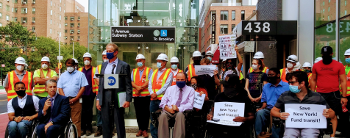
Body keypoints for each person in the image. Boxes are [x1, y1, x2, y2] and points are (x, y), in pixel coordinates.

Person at [271, 71, 336, 138]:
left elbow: (332, 114)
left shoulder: (316, 96)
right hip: (292, 126)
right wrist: (279, 114)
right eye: (289, 82)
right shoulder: (285, 95)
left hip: (311, 126)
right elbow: (273, 111)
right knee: (289, 136)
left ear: (302, 83)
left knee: (310, 136)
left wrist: (328, 114)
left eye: (292, 82)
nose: (290, 85)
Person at [96, 43, 132, 138]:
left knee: (119, 122)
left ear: (116, 52)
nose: (107, 53)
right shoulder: (103, 65)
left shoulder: (124, 65)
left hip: (118, 96)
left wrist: (128, 100)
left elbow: (128, 84)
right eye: (106, 51)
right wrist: (98, 99)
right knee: (106, 122)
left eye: (110, 51)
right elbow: (100, 84)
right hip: (105, 96)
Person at [310, 46, 348, 137]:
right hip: (320, 93)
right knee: (319, 114)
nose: (325, 56)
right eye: (323, 55)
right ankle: (319, 133)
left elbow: (343, 81)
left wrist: (344, 96)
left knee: (333, 114)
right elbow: (313, 80)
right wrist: (312, 94)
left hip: (334, 94)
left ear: (332, 54)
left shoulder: (339, 65)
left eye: (327, 55)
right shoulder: (316, 65)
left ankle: (333, 135)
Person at [58, 58, 88, 137]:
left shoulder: (80, 74)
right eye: (67, 66)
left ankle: (77, 136)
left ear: (75, 65)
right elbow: (60, 88)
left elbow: (83, 87)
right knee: (64, 119)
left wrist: (76, 98)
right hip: (65, 100)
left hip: (76, 100)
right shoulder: (63, 75)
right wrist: (64, 99)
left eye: (71, 66)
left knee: (76, 120)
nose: (69, 67)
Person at [158, 72, 195, 138]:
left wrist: (178, 109)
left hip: (181, 111)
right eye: (178, 79)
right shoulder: (170, 89)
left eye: (182, 79)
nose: (180, 81)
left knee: (180, 115)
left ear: (186, 80)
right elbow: (162, 103)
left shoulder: (190, 90)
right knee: (162, 116)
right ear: (175, 80)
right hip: (169, 110)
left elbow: (190, 105)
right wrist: (168, 109)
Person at [254, 68, 289, 138]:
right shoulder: (266, 86)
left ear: (278, 75)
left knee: (277, 121)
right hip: (269, 109)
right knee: (260, 113)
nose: (270, 76)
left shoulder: (287, 86)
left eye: (272, 74)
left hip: (281, 110)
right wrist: (261, 108)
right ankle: (260, 134)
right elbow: (264, 101)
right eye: (268, 75)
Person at [148, 53, 173, 138]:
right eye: (157, 61)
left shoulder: (169, 72)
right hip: (153, 100)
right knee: (153, 120)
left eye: (160, 61)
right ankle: (154, 136)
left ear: (164, 62)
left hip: (163, 100)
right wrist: (151, 93)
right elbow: (150, 84)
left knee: (163, 120)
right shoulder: (154, 72)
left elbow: (166, 86)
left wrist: (156, 94)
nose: (158, 63)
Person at [77, 52, 98, 136]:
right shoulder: (79, 70)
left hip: (90, 93)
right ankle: (82, 128)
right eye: (85, 59)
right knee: (82, 111)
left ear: (91, 60)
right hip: (81, 94)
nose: (86, 61)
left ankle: (89, 128)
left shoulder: (94, 69)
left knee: (89, 111)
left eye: (88, 59)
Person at [131, 54, 153, 137]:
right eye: (138, 61)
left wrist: (140, 88)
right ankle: (140, 129)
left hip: (146, 96)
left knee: (146, 113)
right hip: (137, 97)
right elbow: (131, 81)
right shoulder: (134, 71)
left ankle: (145, 130)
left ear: (144, 61)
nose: (139, 62)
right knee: (138, 113)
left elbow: (149, 81)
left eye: (140, 60)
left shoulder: (149, 70)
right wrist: (137, 87)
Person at [93, 50, 108, 137]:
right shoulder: (98, 67)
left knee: (110, 110)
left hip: (110, 92)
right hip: (100, 92)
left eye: (106, 56)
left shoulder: (113, 66)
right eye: (104, 57)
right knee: (99, 110)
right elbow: (97, 80)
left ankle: (109, 128)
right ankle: (99, 128)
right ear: (102, 57)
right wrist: (107, 83)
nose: (105, 58)